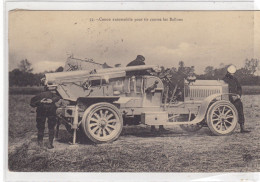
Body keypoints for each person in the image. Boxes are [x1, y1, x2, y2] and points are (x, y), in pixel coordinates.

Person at [223, 65, 250, 133]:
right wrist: (230, 96)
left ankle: (242, 126)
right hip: (227, 97)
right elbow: (224, 89)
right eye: (231, 73)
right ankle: (228, 127)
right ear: (228, 72)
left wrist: (238, 95)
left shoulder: (235, 79)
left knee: (240, 107)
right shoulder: (224, 80)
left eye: (233, 73)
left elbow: (239, 88)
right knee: (228, 111)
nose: (232, 74)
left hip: (235, 97)